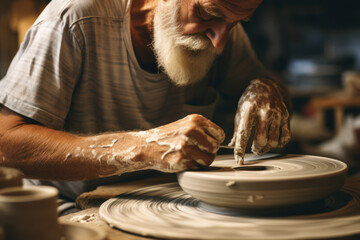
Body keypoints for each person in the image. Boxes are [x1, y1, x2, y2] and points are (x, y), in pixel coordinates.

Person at [0, 0, 291, 203]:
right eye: (207, 13)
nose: (220, 42)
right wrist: (144, 147)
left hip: (176, 205)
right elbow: (6, 144)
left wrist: (265, 89)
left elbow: (276, 94)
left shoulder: (221, 25)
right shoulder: (75, 19)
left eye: (237, 21)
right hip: (69, 206)